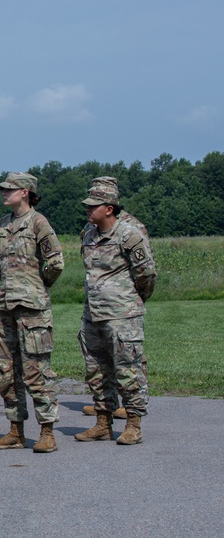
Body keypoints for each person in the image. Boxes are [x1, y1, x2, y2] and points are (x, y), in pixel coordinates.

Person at [0, 173, 64, 453]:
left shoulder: (38, 222)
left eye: (10, 189)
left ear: (26, 192)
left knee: (36, 371)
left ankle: (47, 432)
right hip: (6, 305)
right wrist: (10, 282)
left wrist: (36, 285)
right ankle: (15, 431)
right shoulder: (2, 225)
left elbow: (55, 261)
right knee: (6, 371)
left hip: (32, 309)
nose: (4, 193)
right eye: (3, 189)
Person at [75, 180, 156, 445]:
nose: (88, 209)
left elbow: (146, 275)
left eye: (93, 206)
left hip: (123, 315)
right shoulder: (88, 232)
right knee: (96, 370)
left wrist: (131, 301)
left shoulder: (129, 234)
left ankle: (133, 424)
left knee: (128, 371)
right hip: (93, 313)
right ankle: (102, 422)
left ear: (109, 209)